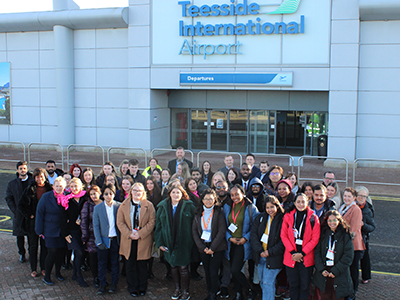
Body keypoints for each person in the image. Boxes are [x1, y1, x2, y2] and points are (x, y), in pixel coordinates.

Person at [155, 184, 196, 300]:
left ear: (182, 194)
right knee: (173, 266)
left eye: (178, 192)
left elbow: (195, 224)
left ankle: (185, 291)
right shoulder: (163, 207)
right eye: (173, 192)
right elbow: (158, 226)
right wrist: (160, 243)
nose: (175, 194)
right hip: (168, 241)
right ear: (169, 194)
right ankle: (177, 288)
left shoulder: (189, 206)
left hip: (184, 243)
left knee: (183, 268)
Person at [117, 183, 156, 297]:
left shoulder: (149, 205)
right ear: (131, 192)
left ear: (143, 192)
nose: (137, 193)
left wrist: (140, 233)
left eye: (139, 191)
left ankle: (142, 287)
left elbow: (152, 222)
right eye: (135, 190)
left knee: (142, 265)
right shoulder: (124, 205)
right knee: (130, 265)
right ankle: (132, 287)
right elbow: (120, 222)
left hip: (142, 239)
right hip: (129, 240)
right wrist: (129, 234)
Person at [280, 193, 320, 300]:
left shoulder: (313, 218)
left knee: (305, 287)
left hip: (306, 258)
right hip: (290, 257)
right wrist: (293, 253)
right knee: (293, 286)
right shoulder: (288, 216)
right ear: (294, 203)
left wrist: (302, 253)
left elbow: (315, 238)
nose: (301, 204)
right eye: (298, 202)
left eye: (303, 202)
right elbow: (283, 235)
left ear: (307, 203)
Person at [223, 184, 259, 300]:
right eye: (232, 195)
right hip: (230, 243)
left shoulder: (251, 208)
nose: (234, 197)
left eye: (237, 194)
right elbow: (223, 225)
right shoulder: (227, 206)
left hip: (243, 243)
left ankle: (249, 290)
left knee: (235, 269)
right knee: (235, 270)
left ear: (243, 194)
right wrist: (229, 237)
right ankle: (239, 294)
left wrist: (246, 238)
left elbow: (255, 227)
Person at [192, 189, 227, 300]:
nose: (208, 201)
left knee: (213, 270)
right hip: (203, 246)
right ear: (202, 200)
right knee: (207, 270)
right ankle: (210, 289)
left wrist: (212, 248)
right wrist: (202, 247)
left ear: (215, 200)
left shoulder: (219, 212)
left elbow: (222, 231)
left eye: (210, 199)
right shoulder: (198, 213)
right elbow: (194, 231)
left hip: (217, 247)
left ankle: (213, 293)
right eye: (206, 199)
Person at [18, 167, 52, 278]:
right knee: (33, 246)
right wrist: (29, 215)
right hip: (33, 222)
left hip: (46, 221)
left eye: (41, 176)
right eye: (37, 177)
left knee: (44, 246)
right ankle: (33, 268)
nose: (39, 179)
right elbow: (21, 205)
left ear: (45, 177)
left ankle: (43, 268)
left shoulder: (49, 189)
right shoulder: (30, 188)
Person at [313, 210, 354, 300]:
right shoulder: (323, 233)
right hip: (324, 272)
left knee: (337, 297)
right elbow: (317, 252)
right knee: (324, 296)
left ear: (339, 221)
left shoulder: (345, 235)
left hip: (338, 273)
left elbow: (348, 256)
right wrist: (321, 269)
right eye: (329, 220)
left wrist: (335, 271)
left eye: (334, 220)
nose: (332, 223)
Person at [250, 195, 285, 300]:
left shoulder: (282, 220)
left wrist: (270, 252)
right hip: (261, 255)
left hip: (274, 257)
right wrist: (260, 250)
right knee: (262, 281)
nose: (270, 210)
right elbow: (253, 234)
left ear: (277, 206)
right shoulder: (260, 218)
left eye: (272, 207)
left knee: (267, 282)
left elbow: (283, 241)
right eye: (267, 207)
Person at [35, 176, 67, 285]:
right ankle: (47, 275)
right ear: (53, 186)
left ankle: (58, 273)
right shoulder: (46, 197)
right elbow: (39, 214)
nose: (59, 188)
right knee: (52, 252)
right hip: (50, 230)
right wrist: (39, 230)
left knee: (60, 253)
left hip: (62, 230)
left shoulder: (66, 197)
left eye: (61, 186)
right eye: (57, 186)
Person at [93, 184, 121, 295]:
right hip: (103, 240)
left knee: (115, 263)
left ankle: (114, 284)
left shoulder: (118, 206)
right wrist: (99, 241)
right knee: (102, 263)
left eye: (111, 194)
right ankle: (102, 284)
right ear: (102, 195)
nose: (108, 196)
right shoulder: (98, 208)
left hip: (115, 240)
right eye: (106, 194)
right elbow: (95, 225)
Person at [61, 177, 88, 287]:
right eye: (72, 186)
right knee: (79, 252)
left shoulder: (85, 198)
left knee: (81, 253)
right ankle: (79, 277)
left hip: (83, 230)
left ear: (81, 186)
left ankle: (74, 273)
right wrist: (65, 233)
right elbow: (63, 218)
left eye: (76, 186)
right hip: (72, 231)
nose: (74, 188)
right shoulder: (68, 200)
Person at [338, 188, 365, 300]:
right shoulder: (343, 207)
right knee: (346, 271)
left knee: (353, 270)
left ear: (354, 198)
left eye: (349, 196)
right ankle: (347, 291)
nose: (346, 198)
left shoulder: (356, 210)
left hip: (353, 246)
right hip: (344, 245)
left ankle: (352, 292)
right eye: (345, 196)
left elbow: (352, 231)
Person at [5, 160, 34, 263]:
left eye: (24, 168)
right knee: (19, 236)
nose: (23, 170)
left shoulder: (32, 181)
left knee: (31, 236)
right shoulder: (12, 184)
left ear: (27, 169)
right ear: (17, 170)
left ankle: (32, 254)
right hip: (19, 214)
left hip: (30, 214)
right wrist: (15, 210)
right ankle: (22, 253)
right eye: (21, 168)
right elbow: (9, 198)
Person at [80, 185, 103, 288]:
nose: (94, 196)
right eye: (92, 194)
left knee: (102, 257)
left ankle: (102, 277)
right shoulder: (87, 205)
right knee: (93, 257)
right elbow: (84, 221)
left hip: (103, 235)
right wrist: (85, 236)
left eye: (96, 193)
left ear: (100, 193)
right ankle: (95, 278)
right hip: (92, 235)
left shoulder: (104, 203)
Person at [355, 186, 376, 285]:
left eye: (364, 196)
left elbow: (372, 227)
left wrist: (364, 226)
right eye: (360, 195)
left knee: (365, 258)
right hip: (352, 237)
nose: (362, 198)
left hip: (363, 238)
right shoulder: (351, 206)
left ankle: (365, 276)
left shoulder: (368, 209)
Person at [145, 176, 162, 279]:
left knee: (152, 247)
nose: (149, 186)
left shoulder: (158, 194)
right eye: (148, 184)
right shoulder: (144, 195)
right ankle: (147, 269)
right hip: (146, 223)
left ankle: (150, 269)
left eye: (151, 183)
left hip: (156, 222)